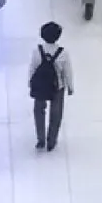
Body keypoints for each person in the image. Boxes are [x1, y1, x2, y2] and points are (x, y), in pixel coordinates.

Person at [29, 22, 74, 152]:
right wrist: (70, 86)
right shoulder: (63, 53)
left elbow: (32, 67)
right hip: (57, 86)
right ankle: (52, 140)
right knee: (56, 113)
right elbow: (67, 71)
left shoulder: (37, 51)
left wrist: (30, 82)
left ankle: (40, 139)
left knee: (39, 110)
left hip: (40, 85)